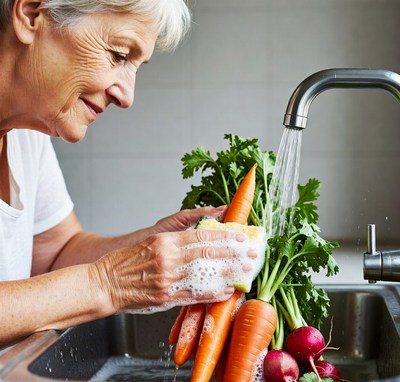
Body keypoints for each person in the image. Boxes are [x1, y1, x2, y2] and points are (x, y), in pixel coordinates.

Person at [0, 0, 258, 349]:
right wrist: (106, 283)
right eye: (118, 55)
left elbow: (54, 256)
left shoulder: (28, 132)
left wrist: (150, 249)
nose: (127, 96)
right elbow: (89, 281)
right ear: (31, 13)